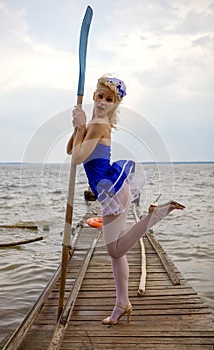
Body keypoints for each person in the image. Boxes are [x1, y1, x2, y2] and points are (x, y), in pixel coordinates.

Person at [67, 75, 185, 325]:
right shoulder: (94, 122)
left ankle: (155, 216)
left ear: (115, 105)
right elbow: (71, 149)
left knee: (115, 250)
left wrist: (81, 127)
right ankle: (123, 303)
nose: (102, 102)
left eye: (109, 100)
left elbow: (77, 158)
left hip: (111, 188)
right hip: (108, 188)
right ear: (93, 96)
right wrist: (78, 125)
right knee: (116, 254)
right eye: (100, 96)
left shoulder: (99, 125)